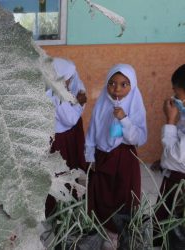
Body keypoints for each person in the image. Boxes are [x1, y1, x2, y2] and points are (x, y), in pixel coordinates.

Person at [85, 64, 147, 249]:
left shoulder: (135, 104)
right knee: (100, 197)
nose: (116, 89)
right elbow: (92, 132)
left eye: (123, 84)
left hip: (124, 160)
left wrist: (124, 119)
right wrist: (89, 156)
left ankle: (122, 237)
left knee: (123, 198)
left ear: (132, 86)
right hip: (102, 157)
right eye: (112, 83)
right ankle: (102, 234)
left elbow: (139, 138)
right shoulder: (102, 102)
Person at [45, 58, 87, 217]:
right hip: (61, 139)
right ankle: (61, 208)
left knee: (63, 170)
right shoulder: (55, 96)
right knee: (63, 170)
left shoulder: (53, 89)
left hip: (60, 136)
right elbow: (70, 119)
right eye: (67, 79)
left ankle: (64, 204)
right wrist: (79, 104)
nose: (71, 82)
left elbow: (79, 85)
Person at [153, 64, 185, 247]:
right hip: (174, 180)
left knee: (175, 234)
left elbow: (176, 156)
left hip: (180, 188)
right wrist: (164, 161)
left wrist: (170, 121)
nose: (174, 99)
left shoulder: (177, 117)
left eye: (178, 95)